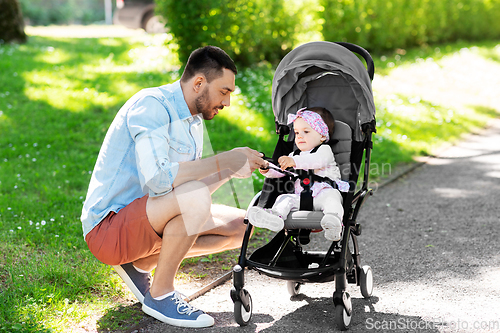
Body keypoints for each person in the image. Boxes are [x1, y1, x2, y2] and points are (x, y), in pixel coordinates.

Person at [81, 46, 267, 328]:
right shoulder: (151, 106)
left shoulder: (193, 122)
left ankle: (139, 264)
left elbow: (187, 192)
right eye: (224, 91)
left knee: (244, 225)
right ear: (199, 83)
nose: (227, 102)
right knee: (194, 198)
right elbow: (160, 180)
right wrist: (223, 160)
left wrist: (230, 169)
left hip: (149, 219)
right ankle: (161, 294)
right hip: (109, 229)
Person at [247, 107, 349, 241]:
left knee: (333, 198)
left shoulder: (325, 150)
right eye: (296, 132)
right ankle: (275, 216)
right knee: (284, 198)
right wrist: (267, 169)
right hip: (300, 197)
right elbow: (282, 172)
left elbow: (315, 161)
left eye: (306, 131)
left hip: (323, 194)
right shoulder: (293, 155)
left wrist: (293, 161)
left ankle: (333, 220)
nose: (300, 136)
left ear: (322, 135)